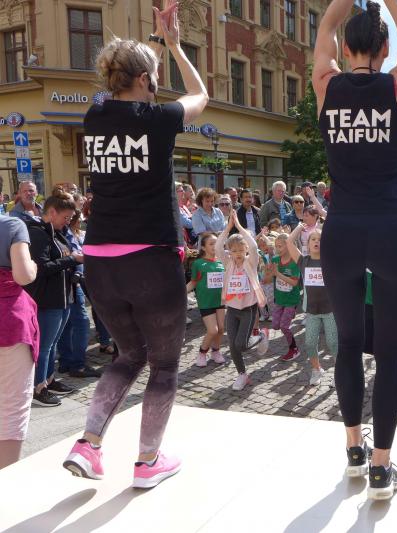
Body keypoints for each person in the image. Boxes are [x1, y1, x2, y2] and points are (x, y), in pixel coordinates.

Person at [62, 1, 209, 489]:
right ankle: (148, 461)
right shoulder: (159, 119)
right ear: (145, 78)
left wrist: (154, 46)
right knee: (164, 364)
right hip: (150, 260)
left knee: (128, 355)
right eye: (154, 75)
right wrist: (174, 44)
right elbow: (201, 94)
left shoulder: (95, 115)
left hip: (100, 262)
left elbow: (128, 86)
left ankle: (88, 445)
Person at [313, 0, 397, 499]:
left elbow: (325, 27)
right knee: (390, 353)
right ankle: (381, 467)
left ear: (344, 46)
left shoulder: (325, 85)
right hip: (392, 226)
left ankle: (354, 449)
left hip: (342, 229)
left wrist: (336, 14)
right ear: (383, 48)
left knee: (349, 344)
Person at [25, 191, 80, 407]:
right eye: (66, 217)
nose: (68, 221)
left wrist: (73, 259)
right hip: (47, 300)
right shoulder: (38, 233)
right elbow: (41, 268)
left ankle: (48, 380)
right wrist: (72, 260)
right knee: (44, 346)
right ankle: (38, 389)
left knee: (53, 344)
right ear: (52, 212)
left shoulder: (56, 232)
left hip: (62, 297)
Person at [0, 215, 38, 469]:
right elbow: (23, 275)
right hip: (8, 321)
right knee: (12, 406)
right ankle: (6, 478)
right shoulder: (11, 225)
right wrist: (33, 266)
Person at [215, 214, 268, 389]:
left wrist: (238, 226)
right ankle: (242, 375)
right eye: (234, 250)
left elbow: (253, 246)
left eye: (240, 250)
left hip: (248, 309)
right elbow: (218, 246)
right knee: (232, 345)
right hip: (232, 309)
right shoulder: (228, 263)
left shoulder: (251, 262)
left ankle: (260, 336)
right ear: (229, 252)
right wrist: (228, 228)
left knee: (241, 345)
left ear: (245, 250)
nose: (237, 253)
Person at [286, 224, 337, 385]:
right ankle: (316, 370)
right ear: (307, 244)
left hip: (330, 310)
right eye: (313, 239)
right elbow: (289, 242)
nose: (316, 242)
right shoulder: (304, 261)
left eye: (320, 239)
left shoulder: (331, 261)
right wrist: (299, 227)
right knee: (309, 343)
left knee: (333, 342)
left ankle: (340, 371)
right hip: (312, 312)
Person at [56, 210, 101, 379]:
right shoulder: (60, 230)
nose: (70, 220)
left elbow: (75, 252)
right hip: (70, 282)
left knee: (67, 323)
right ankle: (77, 365)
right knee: (81, 323)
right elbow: (76, 254)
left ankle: (66, 362)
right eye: (67, 217)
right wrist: (78, 268)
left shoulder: (62, 230)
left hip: (69, 280)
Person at [186, 232, 226, 367]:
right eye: (211, 243)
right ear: (203, 247)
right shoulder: (198, 263)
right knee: (212, 330)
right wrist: (180, 295)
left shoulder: (222, 262)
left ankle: (216, 352)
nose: (215, 246)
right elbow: (193, 282)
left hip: (220, 301)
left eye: (217, 243)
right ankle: (202, 353)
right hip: (205, 302)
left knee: (221, 329)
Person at [263, 233, 301, 361]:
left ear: (289, 246)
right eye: (276, 246)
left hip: (291, 299)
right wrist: (268, 272)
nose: (277, 249)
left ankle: (294, 349)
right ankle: (287, 316)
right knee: (275, 325)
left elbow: (294, 283)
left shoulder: (295, 261)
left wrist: (278, 274)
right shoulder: (275, 260)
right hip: (279, 298)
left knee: (284, 326)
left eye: (280, 246)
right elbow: (268, 279)